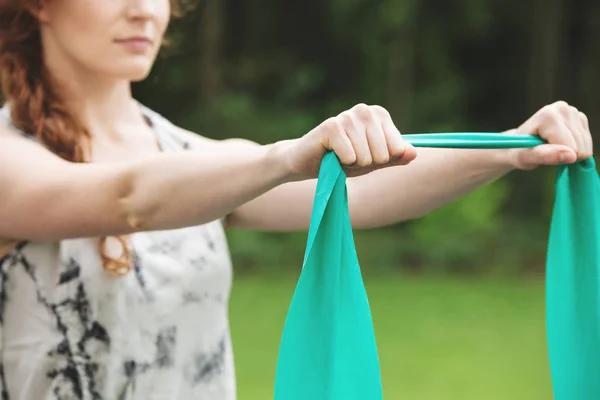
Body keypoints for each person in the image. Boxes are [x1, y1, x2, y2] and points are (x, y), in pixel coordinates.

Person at [0, 0, 593, 399]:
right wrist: (283, 157)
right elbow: (129, 197)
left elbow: (363, 197)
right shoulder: (10, 156)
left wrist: (510, 149)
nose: (143, 10)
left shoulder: (185, 151)